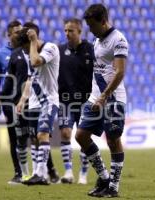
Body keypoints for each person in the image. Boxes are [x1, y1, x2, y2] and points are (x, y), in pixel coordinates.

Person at [75, 4, 129, 198]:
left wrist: (104, 96)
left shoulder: (119, 40)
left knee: (113, 140)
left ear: (103, 21)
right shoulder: (98, 40)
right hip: (95, 97)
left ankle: (113, 187)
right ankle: (104, 178)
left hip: (112, 98)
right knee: (81, 135)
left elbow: (120, 71)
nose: (90, 29)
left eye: (92, 25)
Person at [1, 22, 60, 184]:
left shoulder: (51, 48)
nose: (25, 52)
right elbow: (30, 78)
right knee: (34, 138)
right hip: (34, 102)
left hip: (49, 100)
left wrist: (33, 42)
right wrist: (22, 100)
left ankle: (42, 175)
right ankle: (37, 173)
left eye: (25, 47)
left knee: (42, 134)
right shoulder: (29, 53)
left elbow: (35, 62)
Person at [58, 18, 94, 184]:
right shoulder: (58, 50)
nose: (67, 34)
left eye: (70, 30)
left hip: (86, 102)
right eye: (65, 30)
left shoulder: (90, 49)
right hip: (65, 101)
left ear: (79, 31)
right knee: (65, 133)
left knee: (83, 137)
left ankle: (84, 174)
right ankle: (68, 172)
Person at [0, 20, 23, 184]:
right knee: (14, 137)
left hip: (28, 98)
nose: (20, 33)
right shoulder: (0, 54)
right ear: (9, 35)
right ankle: (19, 172)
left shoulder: (28, 49)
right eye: (16, 31)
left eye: (21, 30)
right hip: (9, 100)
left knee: (36, 134)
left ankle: (46, 171)